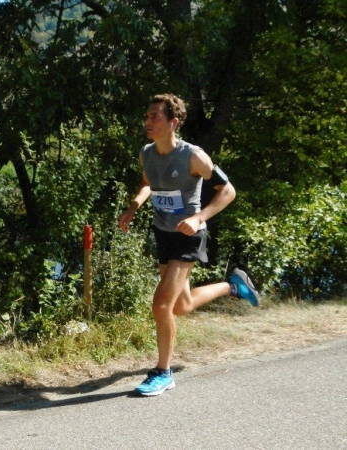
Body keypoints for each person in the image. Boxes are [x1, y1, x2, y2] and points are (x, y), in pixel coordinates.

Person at [118, 93, 261, 397]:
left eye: (155, 116)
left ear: (173, 122)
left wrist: (198, 218)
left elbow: (228, 191)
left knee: (161, 305)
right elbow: (147, 183)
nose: (147, 121)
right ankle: (233, 286)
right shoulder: (147, 153)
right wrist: (133, 206)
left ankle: (163, 372)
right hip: (163, 233)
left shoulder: (193, 156)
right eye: (147, 116)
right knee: (181, 306)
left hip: (188, 236)